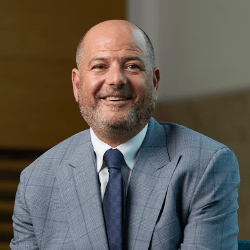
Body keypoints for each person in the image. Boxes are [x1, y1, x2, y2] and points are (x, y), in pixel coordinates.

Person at [10, 20, 240, 250]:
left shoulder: (207, 165)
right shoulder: (36, 182)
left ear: (154, 82)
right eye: (99, 66)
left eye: (132, 66)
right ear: (77, 84)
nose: (116, 79)